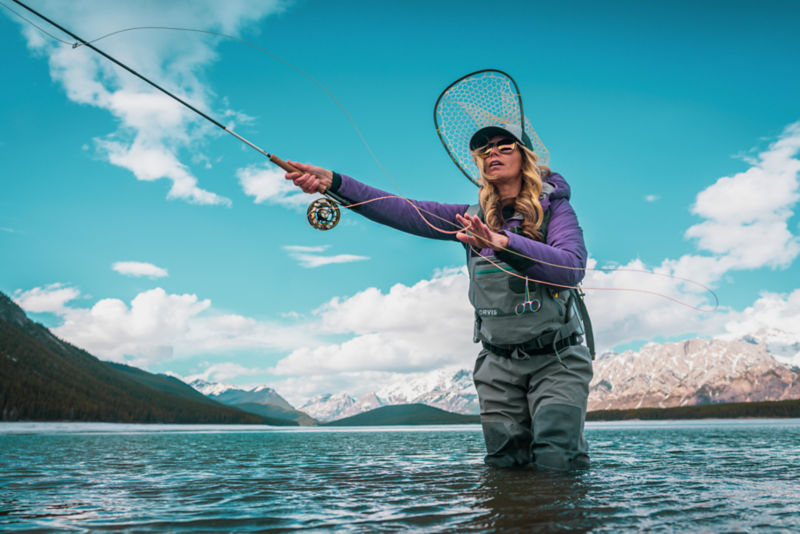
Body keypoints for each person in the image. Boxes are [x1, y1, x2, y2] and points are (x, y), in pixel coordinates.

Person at [284, 123, 592, 470]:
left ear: (526, 158)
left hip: (557, 359)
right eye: (485, 148)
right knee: (504, 464)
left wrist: (504, 243)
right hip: (497, 365)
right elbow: (401, 210)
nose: (493, 152)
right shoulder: (469, 218)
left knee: (557, 460)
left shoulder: (556, 211)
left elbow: (571, 269)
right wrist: (335, 183)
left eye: (506, 146)